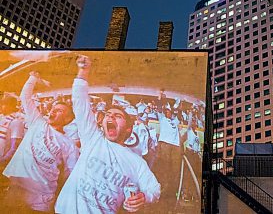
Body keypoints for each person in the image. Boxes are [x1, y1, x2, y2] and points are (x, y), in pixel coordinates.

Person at [55, 56, 160, 214]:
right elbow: (80, 103)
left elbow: (154, 188)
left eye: (117, 116)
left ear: (128, 130)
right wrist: (83, 71)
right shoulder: (93, 139)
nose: (110, 117)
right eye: (108, 114)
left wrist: (144, 197)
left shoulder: (137, 162)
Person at [3, 72, 79, 212]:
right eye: (52, 109)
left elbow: (69, 174)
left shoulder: (69, 145)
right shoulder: (37, 122)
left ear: (68, 119)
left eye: (59, 111)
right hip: (16, 188)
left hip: (41, 198)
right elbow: (25, 97)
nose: (52, 112)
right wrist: (32, 78)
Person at [153, 98, 183, 210]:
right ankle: (163, 191)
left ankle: (172, 192)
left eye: (169, 112)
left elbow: (178, 114)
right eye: (167, 112)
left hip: (175, 146)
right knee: (165, 168)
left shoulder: (175, 121)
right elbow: (159, 108)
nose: (168, 113)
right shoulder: (162, 119)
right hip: (165, 144)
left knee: (175, 170)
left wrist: (180, 104)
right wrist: (161, 97)